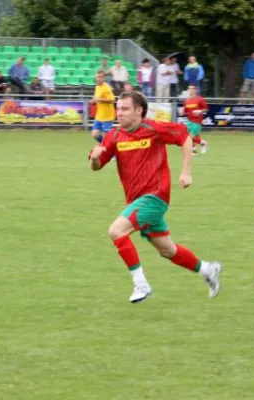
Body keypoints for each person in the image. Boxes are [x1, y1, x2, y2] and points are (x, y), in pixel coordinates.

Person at [89, 91, 223, 303]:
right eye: (118, 108)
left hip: (155, 196)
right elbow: (96, 166)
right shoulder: (114, 136)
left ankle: (140, 285)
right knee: (168, 250)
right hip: (136, 201)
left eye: (124, 109)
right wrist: (95, 159)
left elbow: (185, 137)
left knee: (116, 231)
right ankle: (208, 269)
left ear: (139, 110)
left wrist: (186, 171)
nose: (119, 113)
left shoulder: (153, 128)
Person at [181, 84, 208, 155]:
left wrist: (200, 111)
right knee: (191, 137)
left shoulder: (200, 99)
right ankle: (203, 143)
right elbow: (184, 111)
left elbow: (206, 109)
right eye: (189, 88)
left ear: (195, 90)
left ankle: (193, 150)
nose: (191, 90)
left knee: (189, 137)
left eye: (192, 88)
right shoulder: (186, 100)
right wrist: (182, 111)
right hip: (189, 121)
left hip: (197, 122)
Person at [89, 71, 115, 143]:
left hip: (107, 116)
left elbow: (112, 100)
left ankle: (107, 148)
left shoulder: (106, 87)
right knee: (94, 134)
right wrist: (92, 101)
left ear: (103, 78)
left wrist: (100, 99)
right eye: (97, 77)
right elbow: (96, 98)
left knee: (105, 136)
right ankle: (106, 145)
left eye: (100, 77)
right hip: (99, 116)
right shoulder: (97, 87)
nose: (98, 79)